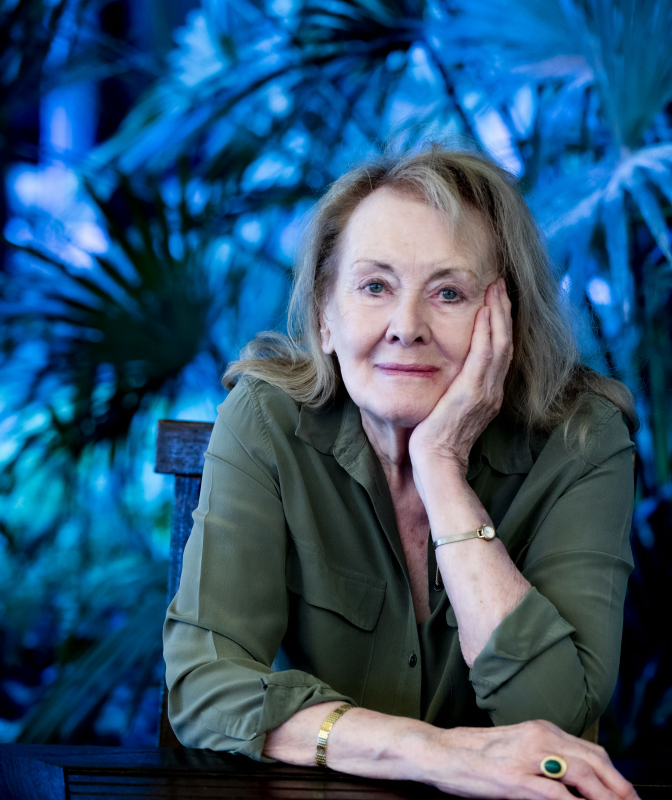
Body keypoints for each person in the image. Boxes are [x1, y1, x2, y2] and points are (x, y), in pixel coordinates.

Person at [163, 147, 640, 800]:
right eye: (375, 287)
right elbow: (204, 687)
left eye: (449, 293)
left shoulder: (582, 438)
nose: (406, 327)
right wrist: (434, 753)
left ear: (506, 320)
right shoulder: (268, 421)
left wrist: (440, 469)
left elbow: (556, 717)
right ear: (325, 316)